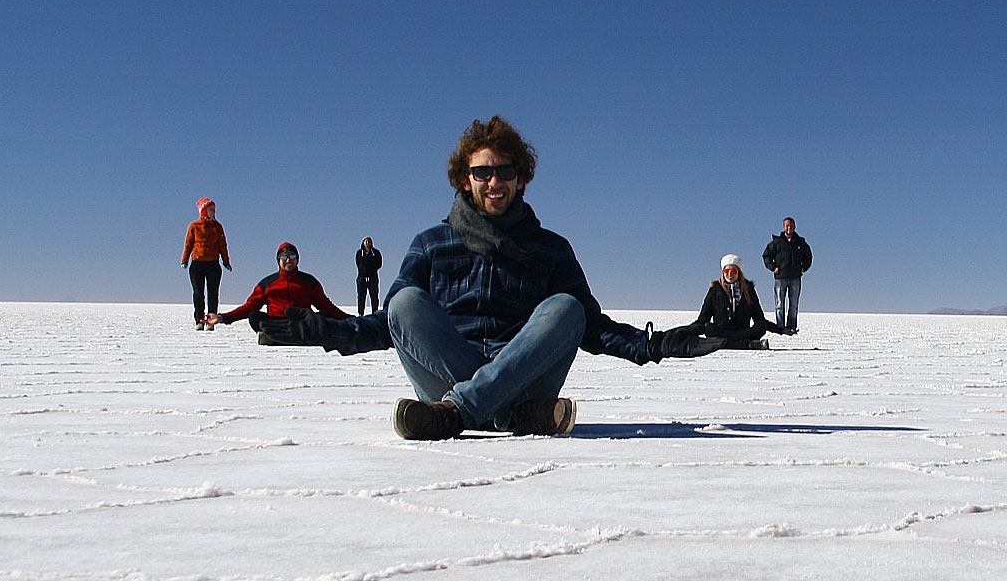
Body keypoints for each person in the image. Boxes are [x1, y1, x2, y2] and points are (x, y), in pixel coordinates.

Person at [259, 115, 724, 441]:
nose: (494, 182)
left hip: (514, 378)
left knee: (565, 308)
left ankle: (461, 414)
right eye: (482, 172)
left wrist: (653, 346)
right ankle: (515, 416)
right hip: (445, 372)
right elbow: (392, 324)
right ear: (465, 179)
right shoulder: (430, 243)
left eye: (505, 172)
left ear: (522, 179)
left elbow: (590, 326)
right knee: (405, 303)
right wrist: (327, 331)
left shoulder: (550, 249)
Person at [205, 242, 351, 340]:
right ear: (278, 260)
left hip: (302, 323)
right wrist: (223, 317)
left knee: (323, 316)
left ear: (297, 260)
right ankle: (280, 336)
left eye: (292, 257)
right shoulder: (267, 284)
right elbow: (249, 308)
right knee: (255, 316)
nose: (289, 260)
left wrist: (350, 319)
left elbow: (326, 306)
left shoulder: (309, 282)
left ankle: (275, 338)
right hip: (277, 323)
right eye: (284, 257)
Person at [696, 255, 796, 349]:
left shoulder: (749, 289)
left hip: (743, 333)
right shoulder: (715, 289)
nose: (730, 274)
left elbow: (759, 318)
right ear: (723, 272)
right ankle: (749, 344)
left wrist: (781, 330)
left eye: (734, 271)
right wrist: (686, 332)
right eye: (727, 271)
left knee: (761, 326)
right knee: (708, 328)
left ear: (739, 272)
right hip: (722, 331)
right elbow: (704, 318)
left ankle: (724, 343)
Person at [181, 197, 230, 330]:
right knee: (198, 293)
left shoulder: (217, 227)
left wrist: (226, 262)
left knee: (213, 293)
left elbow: (222, 245)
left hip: (213, 264)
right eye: (210, 210)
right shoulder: (194, 226)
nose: (213, 212)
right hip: (197, 264)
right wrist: (184, 260)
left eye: (214, 209)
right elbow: (188, 244)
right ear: (203, 211)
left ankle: (211, 320)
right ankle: (199, 320)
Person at [762, 216, 812, 331]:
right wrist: (773, 268)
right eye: (787, 225)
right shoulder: (777, 242)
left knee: (793, 304)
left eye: (791, 225)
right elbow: (766, 256)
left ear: (794, 227)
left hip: (795, 278)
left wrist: (804, 268)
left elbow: (808, 256)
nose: (789, 228)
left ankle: (791, 327)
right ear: (783, 227)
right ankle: (780, 327)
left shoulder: (800, 242)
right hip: (780, 278)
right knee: (779, 304)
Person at [355, 236, 383, 316]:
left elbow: (379, 263)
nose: (367, 243)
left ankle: (375, 312)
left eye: (369, 241)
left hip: (373, 277)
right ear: (363, 242)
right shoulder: (360, 253)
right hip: (362, 277)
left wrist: (372, 269)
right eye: (366, 241)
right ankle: (360, 313)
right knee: (361, 296)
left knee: (374, 295)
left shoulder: (376, 253)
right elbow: (358, 263)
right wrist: (363, 271)